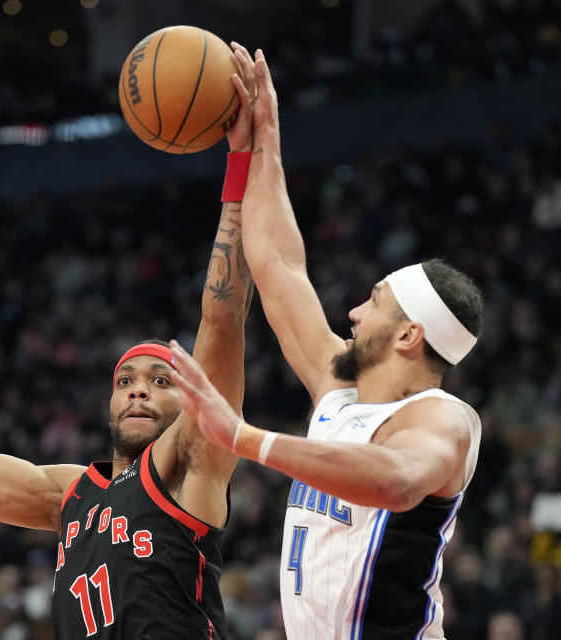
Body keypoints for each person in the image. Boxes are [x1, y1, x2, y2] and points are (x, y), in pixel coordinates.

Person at [0, 46, 257, 639]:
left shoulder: (191, 466)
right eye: (125, 382)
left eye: (160, 381)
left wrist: (243, 163)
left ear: (192, 402)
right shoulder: (70, 494)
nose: (139, 392)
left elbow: (221, 320)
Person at [167, 47, 484, 640]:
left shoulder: (443, 423)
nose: (354, 312)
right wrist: (259, 143)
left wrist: (242, 437)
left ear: (410, 335)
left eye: (373, 305)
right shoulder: (338, 386)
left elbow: (395, 481)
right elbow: (279, 263)